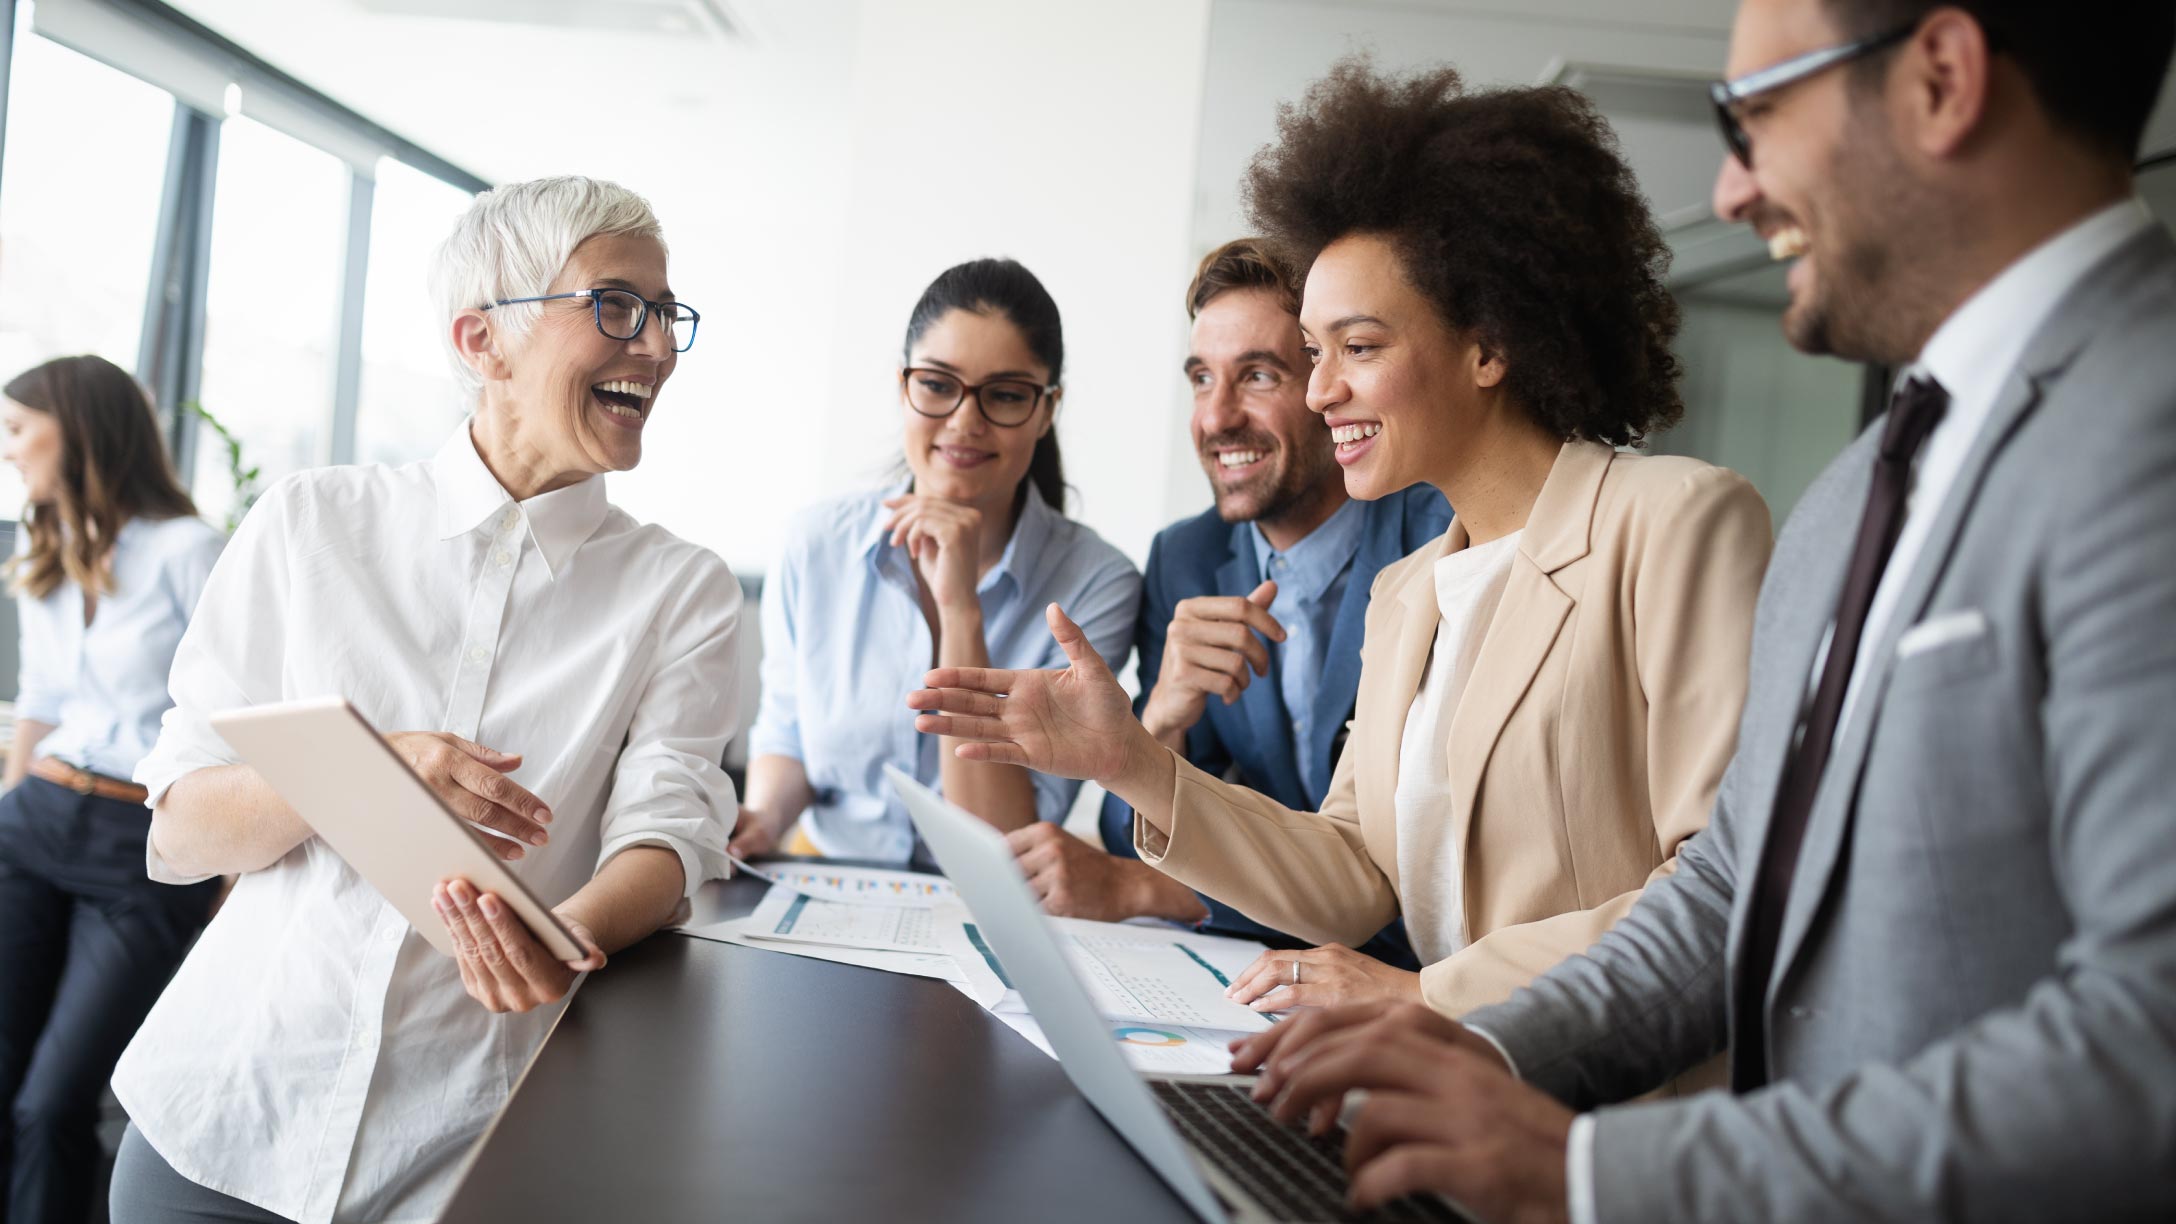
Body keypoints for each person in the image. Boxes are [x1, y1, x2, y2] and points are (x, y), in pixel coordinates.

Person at [1220, 3, 2176, 1221]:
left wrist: (1588, 1173)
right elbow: (1732, 885)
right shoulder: (1851, 496)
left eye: (1754, 116)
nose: (1729, 189)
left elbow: (2147, 1045)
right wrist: (1486, 1054)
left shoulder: (2146, 429)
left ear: (1941, 79)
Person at [908, 62, 1774, 1025]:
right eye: (1315, 356)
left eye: (1357, 349)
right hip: (1428, 1092)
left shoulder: (1675, 521)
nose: (1321, 395)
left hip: (1592, 1113)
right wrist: (1132, 761)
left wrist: (1425, 998)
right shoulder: (1411, 592)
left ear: (1489, 345)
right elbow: (1354, 872)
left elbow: (1726, 883)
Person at [104, 175, 743, 1224]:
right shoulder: (312, 523)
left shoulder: (680, 590)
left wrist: (564, 930)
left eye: (665, 315)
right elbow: (180, 831)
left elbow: (670, 834)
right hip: (224, 1121)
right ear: (483, 340)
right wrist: (368, 776)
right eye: (616, 307)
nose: (658, 348)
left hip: (464, 1154)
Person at [1008, 238, 1444, 974]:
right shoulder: (1187, 558)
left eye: (1258, 375)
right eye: (1202, 378)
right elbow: (1128, 825)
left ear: (1326, 384)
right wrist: (1162, 724)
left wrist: (1161, 891)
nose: (1216, 417)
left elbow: (1410, 882)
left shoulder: (1436, 538)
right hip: (1258, 983)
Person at [731, 259, 1138, 866]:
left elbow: (1005, 845)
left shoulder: (1098, 583)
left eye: (1004, 395)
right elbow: (788, 734)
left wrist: (960, 611)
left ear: (1047, 409)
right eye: (938, 385)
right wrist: (761, 822)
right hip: (828, 881)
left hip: (988, 906)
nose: (964, 422)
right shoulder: (813, 544)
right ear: (904, 387)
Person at [0, 356, 222, 1223]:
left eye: (19, 429)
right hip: (35, 818)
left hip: (138, 845)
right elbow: (43, 704)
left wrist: (228, 876)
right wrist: (12, 807)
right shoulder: (46, 542)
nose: (8, 450)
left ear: (80, 428)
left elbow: (233, 716)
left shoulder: (189, 550)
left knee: (53, 1104)